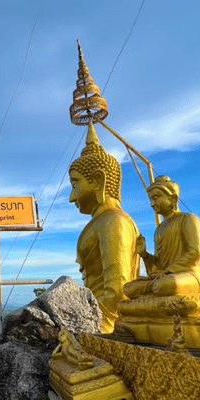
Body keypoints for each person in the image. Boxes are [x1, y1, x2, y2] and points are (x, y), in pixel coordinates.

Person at [68, 123, 140, 334]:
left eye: (75, 184)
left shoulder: (113, 221)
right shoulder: (102, 221)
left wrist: (76, 319)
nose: (72, 197)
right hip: (95, 315)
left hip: (107, 322)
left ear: (98, 180)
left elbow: (117, 292)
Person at [123, 176, 200, 299]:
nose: (152, 204)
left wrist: (168, 271)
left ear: (173, 198)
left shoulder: (188, 219)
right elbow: (159, 265)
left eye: (155, 198)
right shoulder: (159, 229)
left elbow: (195, 253)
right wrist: (145, 255)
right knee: (128, 288)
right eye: (150, 199)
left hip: (188, 274)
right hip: (164, 277)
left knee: (161, 285)